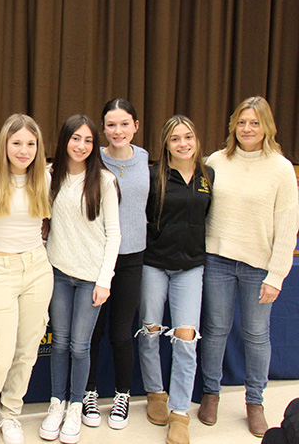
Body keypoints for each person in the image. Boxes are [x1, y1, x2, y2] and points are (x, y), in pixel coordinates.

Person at [199, 96, 299, 438]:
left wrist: (276, 276)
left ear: (266, 126)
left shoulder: (281, 168)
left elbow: (288, 227)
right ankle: (210, 394)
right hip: (218, 261)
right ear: (233, 126)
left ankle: (255, 402)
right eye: (241, 122)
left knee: (256, 336)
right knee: (215, 331)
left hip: (259, 267)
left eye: (254, 123)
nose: (247, 129)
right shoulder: (216, 161)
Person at [0, 114, 53, 444]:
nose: (24, 150)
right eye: (16, 143)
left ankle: (10, 413)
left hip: (37, 269)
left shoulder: (44, 178)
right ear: (4, 144)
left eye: (31, 144)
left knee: (26, 351)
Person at [39, 115, 121, 444]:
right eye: (75, 139)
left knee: (80, 345)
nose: (81, 146)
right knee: (59, 343)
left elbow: (113, 235)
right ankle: (57, 402)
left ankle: (76, 404)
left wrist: (105, 279)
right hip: (58, 274)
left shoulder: (104, 180)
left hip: (91, 279)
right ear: (64, 141)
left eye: (88, 140)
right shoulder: (49, 177)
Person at [136, 115, 213, 444]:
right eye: (175, 139)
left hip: (191, 267)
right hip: (154, 264)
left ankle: (180, 413)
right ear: (165, 145)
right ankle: (156, 393)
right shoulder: (154, 176)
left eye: (188, 137)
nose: (183, 144)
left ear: (196, 140)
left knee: (185, 336)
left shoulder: (208, 175)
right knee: (151, 329)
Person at [84, 98, 148, 430]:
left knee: (121, 333)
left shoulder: (146, 160)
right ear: (102, 128)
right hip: (96, 258)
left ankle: (122, 393)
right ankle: (89, 392)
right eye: (111, 124)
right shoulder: (93, 160)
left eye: (125, 123)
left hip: (132, 259)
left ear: (136, 126)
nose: (118, 130)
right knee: (92, 332)